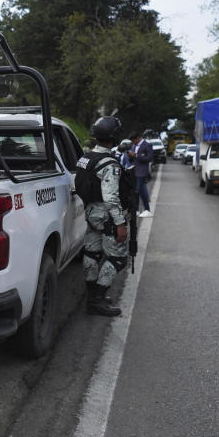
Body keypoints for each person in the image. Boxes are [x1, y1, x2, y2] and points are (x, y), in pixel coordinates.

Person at [75, 116, 131, 317]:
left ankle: (92, 297)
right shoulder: (110, 164)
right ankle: (97, 300)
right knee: (118, 258)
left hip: (90, 213)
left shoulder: (86, 157)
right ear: (114, 137)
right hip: (106, 216)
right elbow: (111, 198)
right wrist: (120, 223)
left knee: (92, 253)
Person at [127, 131, 154, 217]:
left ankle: (137, 210)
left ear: (138, 138)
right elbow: (133, 159)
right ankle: (146, 210)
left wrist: (136, 155)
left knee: (137, 191)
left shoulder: (147, 145)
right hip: (134, 171)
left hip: (142, 172)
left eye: (133, 140)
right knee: (142, 192)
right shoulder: (134, 146)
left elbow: (149, 158)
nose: (132, 143)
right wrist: (130, 156)